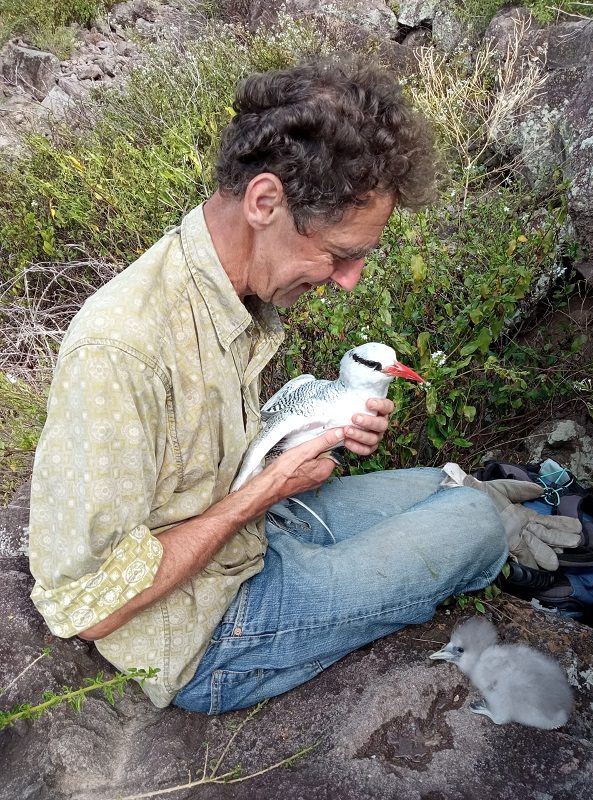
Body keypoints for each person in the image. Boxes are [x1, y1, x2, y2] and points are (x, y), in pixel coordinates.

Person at [28, 58, 507, 713]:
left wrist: (311, 437)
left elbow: (198, 465)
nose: (348, 281)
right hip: (208, 627)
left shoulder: (226, 288)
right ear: (264, 201)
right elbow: (87, 601)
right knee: (479, 519)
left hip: (248, 535)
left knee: (444, 486)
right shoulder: (122, 347)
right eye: (340, 253)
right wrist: (265, 491)